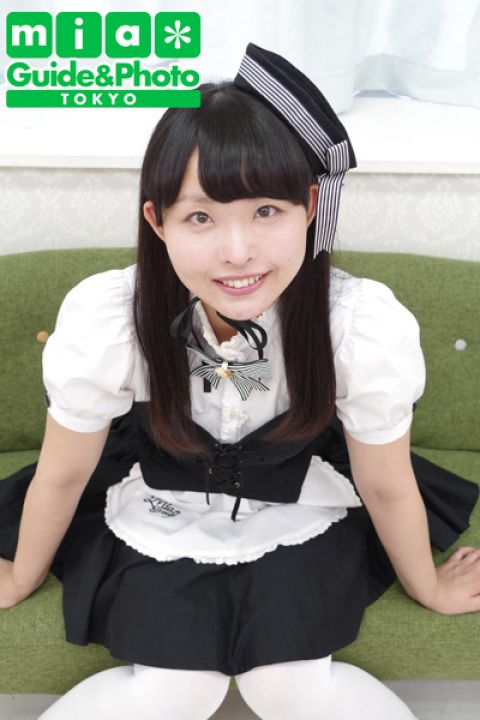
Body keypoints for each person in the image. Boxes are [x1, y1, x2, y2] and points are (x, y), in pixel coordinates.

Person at [0, 43, 479, 720]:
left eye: (266, 212)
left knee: (289, 684)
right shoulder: (111, 318)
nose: (237, 252)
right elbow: (63, 472)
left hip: (302, 492)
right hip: (155, 490)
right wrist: (20, 575)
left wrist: (427, 585)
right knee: (177, 686)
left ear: (310, 206)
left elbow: (384, 481)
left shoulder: (355, 325)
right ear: (156, 221)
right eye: (201, 217)